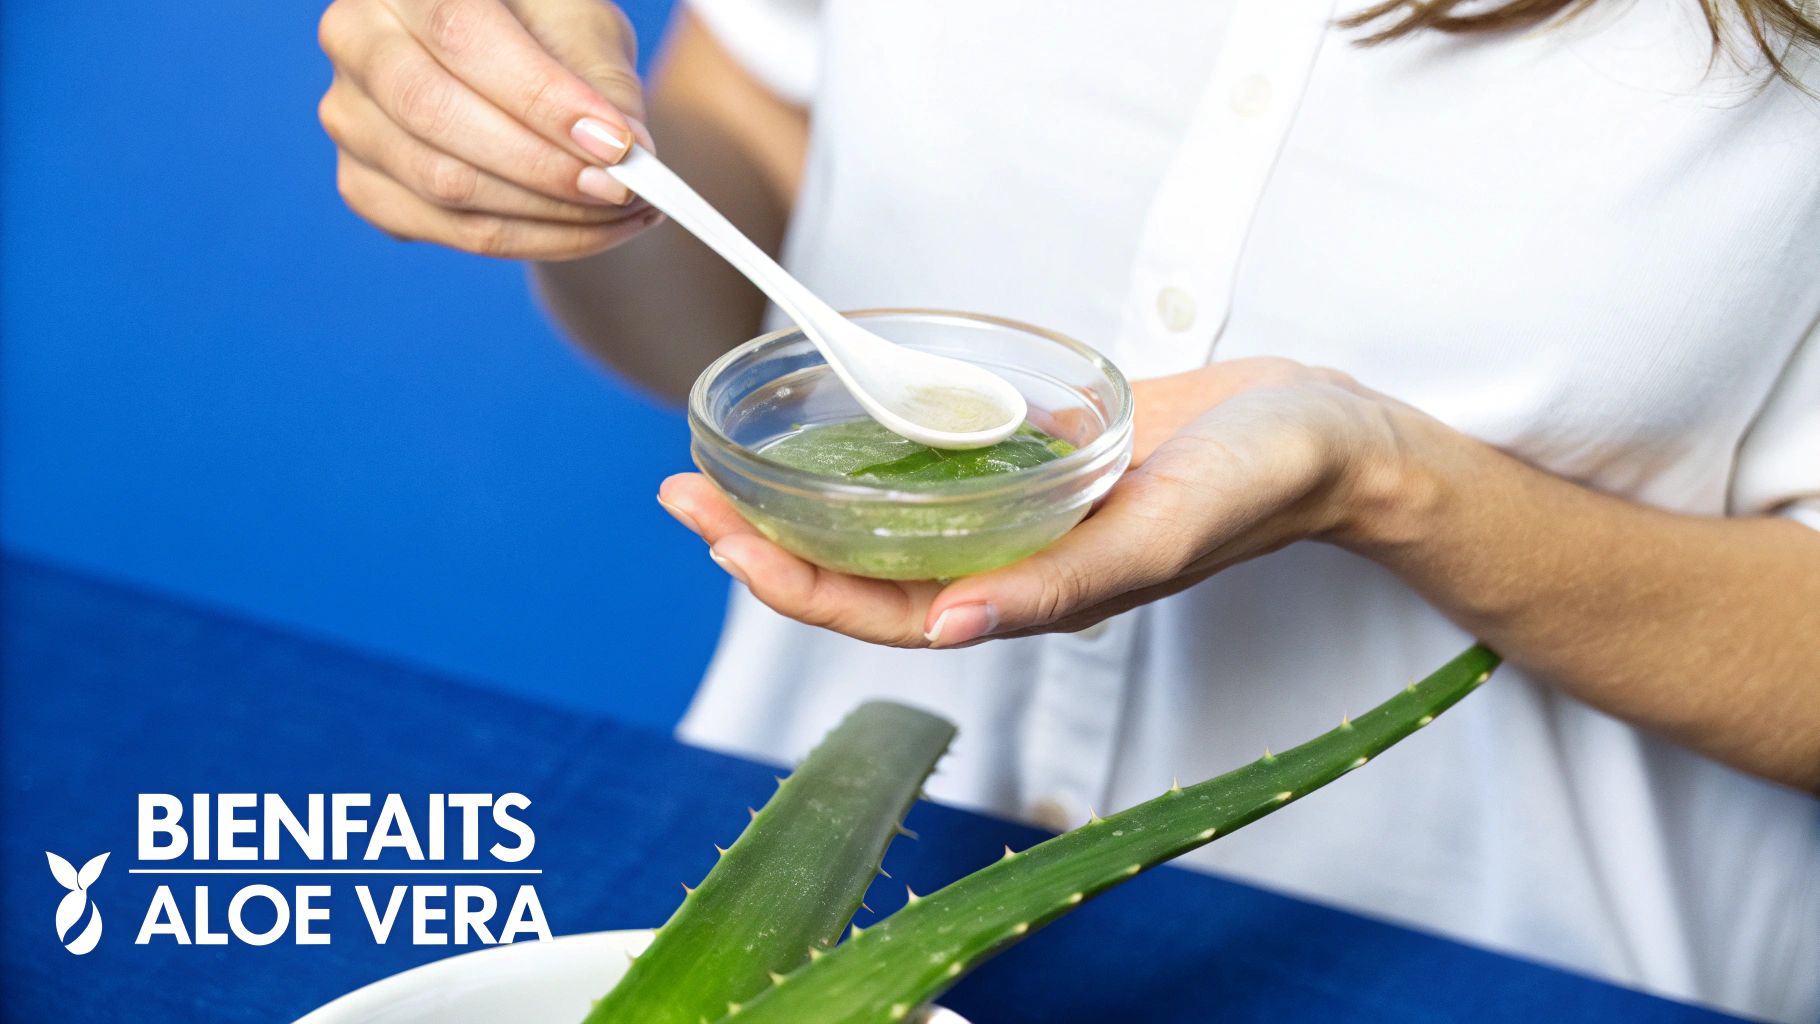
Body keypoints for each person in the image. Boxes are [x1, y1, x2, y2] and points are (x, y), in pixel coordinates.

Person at [316, 0, 1820, 1018]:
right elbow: (754, 179)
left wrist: (1388, 479)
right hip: (799, 900)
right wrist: (561, 167)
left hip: (1497, 976)